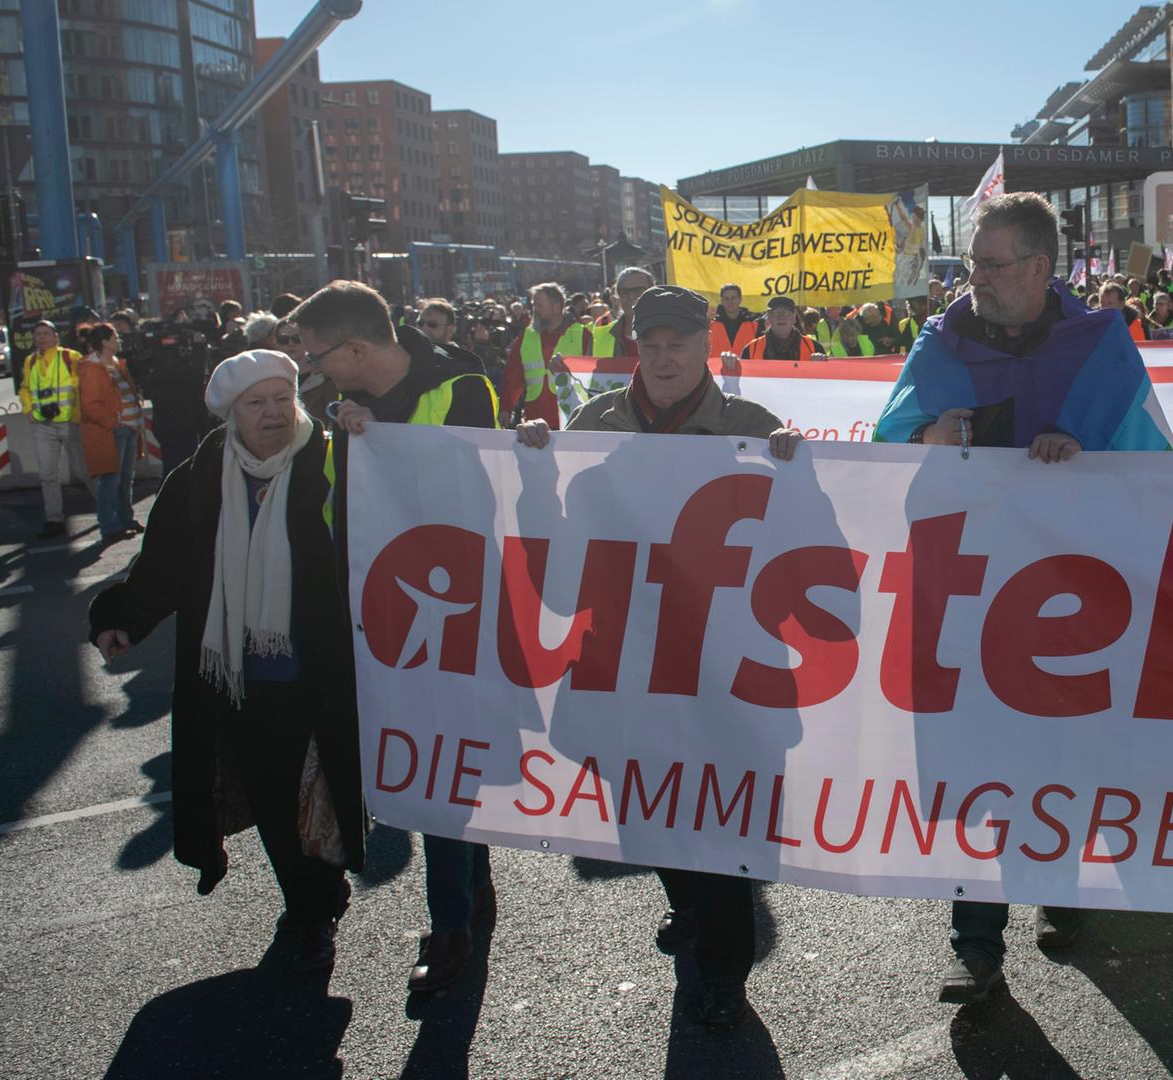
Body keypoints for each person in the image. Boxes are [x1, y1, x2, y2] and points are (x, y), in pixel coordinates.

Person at [872, 191, 1170, 1006]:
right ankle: (974, 945)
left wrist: (1085, 450)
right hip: (970, 592)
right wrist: (930, 435)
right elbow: (886, 440)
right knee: (978, 761)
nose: (975, 280)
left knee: (1063, 751)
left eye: (992, 265)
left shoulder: (1102, 344)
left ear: (1041, 268)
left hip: (1073, 597)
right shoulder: (943, 340)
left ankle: (1064, 892)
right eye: (971, 263)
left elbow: (1157, 468)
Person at [513, 285, 802, 1028]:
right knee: (648, 813)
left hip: (723, 663)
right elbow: (562, 564)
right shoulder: (592, 423)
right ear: (635, 345)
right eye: (653, 342)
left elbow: (804, 548)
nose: (666, 356)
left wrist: (798, 472)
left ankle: (724, 972)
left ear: (706, 344)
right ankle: (689, 906)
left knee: (723, 824)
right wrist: (535, 474)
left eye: (680, 341)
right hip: (626, 659)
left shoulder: (753, 425)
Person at [88, 350, 363, 973]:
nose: (271, 413)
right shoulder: (200, 476)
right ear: (231, 412)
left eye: (279, 398)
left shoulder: (332, 460)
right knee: (270, 800)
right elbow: (162, 567)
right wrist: (121, 619)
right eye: (254, 403)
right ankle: (308, 905)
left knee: (320, 794)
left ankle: (318, 899)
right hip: (236, 676)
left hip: (319, 672)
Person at [289, 280, 502, 995]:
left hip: (453, 609)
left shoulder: (463, 383)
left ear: (356, 349)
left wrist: (375, 431)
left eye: (319, 358)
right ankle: (470, 885)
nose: (315, 372)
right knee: (425, 764)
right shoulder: (341, 412)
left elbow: (470, 487)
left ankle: (451, 926)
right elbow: (334, 512)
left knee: (436, 764)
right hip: (375, 614)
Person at [75, 323, 146, 541]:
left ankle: (126, 519)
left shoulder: (116, 363)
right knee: (109, 480)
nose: (119, 340)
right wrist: (114, 422)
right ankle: (109, 525)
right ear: (104, 342)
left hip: (129, 428)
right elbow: (91, 404)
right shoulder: (91, 367)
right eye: (115, 337)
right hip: (112, 431)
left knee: (126, 479)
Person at [17, 321, 83, 539]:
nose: (42, 338)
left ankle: (109, 511)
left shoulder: (70, 357)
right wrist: (27, 408)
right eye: (38, 334)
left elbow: (81, 386)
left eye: (46, 334)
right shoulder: (31, 361)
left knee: (84, 471)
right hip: (43, 425)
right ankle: (54, 519)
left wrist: (77, 413)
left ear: (56, 336)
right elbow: (25, 388)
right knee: (47, 476)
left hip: (70, 424)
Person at [501, 283, 576, 429]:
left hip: (571, 424)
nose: (534, 309)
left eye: (539, 305)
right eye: (533, 305)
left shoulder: (583, 334)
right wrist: (505, 407)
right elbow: (512, 376)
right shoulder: (527, 336)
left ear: (556, 306)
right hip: (534, 424)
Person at [733, 296, 823, 361]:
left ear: (794, 317)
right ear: (769, 317)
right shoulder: (751, 350)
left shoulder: (814, 348)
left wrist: (821, 364)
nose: (781, 317)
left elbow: (824, 384)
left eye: (786, 313)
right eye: (776, 312)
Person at [708, 283, 761, 356]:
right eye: (726, 298)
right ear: (722, 301)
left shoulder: (754, 326)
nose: (730, 301)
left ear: (740, 299)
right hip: (717, 367)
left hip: (747, 367)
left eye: (733, 298)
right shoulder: (710, 326)